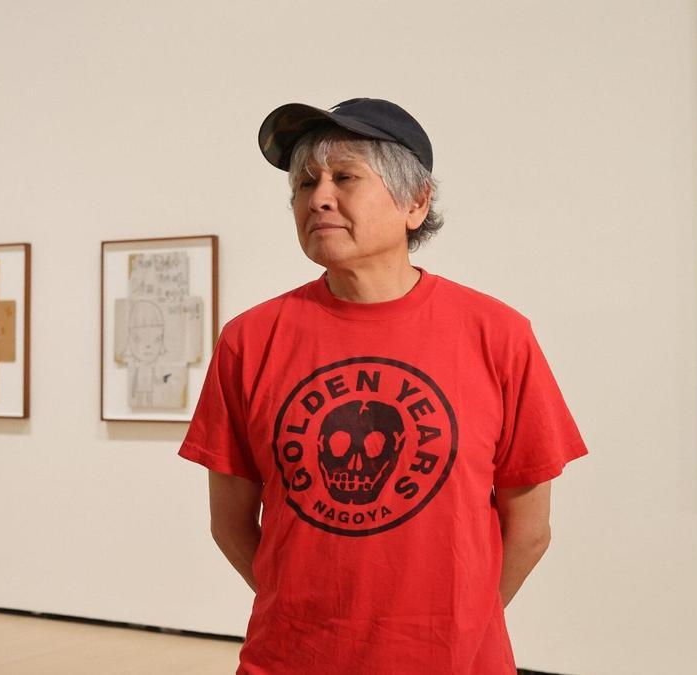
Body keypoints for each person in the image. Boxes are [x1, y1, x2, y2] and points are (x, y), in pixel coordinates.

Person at [178, 97, 588, 675]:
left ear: (415, 202)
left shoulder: (498, 335)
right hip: (291, 661)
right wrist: (301, 611)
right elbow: (230, 522)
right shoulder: (249, 340)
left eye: (344, 178)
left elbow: (530, 530)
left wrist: (461, 624)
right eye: (304, 183)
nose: (318, 198)